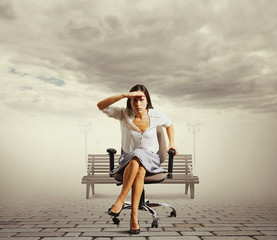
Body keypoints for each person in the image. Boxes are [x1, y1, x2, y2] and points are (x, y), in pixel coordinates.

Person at [97, 84, 178, 234]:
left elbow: (169, 124)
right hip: (129, 159)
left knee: (138, 157)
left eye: (141, 99)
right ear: (129, 102)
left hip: (152, 159)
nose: (138, 104)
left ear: (147, 100)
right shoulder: (123, 114)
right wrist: (123, 95)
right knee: (137, 161)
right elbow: (100, 105)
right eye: (134, 100)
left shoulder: (156, 115)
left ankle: (121, 201)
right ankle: (133, 216)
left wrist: (172, 142)